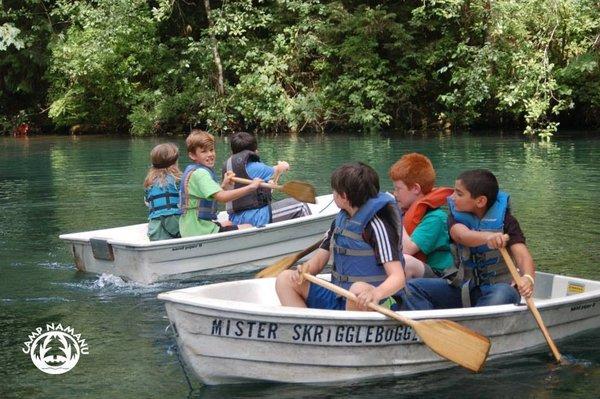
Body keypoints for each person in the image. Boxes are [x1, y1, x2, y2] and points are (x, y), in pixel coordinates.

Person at [276, 162, 406, 311]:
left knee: (358, 289)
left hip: (371, 302)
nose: (333, 194)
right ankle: (309, 328)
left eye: (335, 191)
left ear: (343, 196)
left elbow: (398, 278)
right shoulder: (339, 222)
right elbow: (318, 262)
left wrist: (376, 293)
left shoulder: (377, 227)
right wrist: (305, 270)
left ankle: (347, 331)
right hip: (339, 296)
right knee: (285, 279)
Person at [399, 169, 535, 310]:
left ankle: (472, 325)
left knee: (505, 293)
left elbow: (523, 257)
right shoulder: (455, 218)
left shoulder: (507, 222)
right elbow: (461, 235)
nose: (451, 197)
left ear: (480, 201)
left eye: (459, 193)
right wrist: (489, 237)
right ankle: (433, 326)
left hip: (497, 289)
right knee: (412, 288)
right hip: (462, 288)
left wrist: (528, 278)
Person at [178, 129, 262, 237]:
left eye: (211, 150)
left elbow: (212, 194)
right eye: (204, 151)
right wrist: (251, 187)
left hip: (189, 227)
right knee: (248, 227)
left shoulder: (194, 171)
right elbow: (221, 197)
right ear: (192, 155)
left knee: (231, 223)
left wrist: (224, 185)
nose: (210, 154)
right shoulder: (201, 174)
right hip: (199, 230)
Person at [222, 131, 311, 227]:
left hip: (234, 218)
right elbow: (279, 168)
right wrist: (283, 165)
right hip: (254, 218)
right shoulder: (257, 167)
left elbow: (269, 185)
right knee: (300, 205)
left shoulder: (228, 167)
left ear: (232, 152)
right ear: (255, 151)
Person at [389, 153, 454, 278]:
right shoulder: (405, 211)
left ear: (415, 188)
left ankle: (397, 296)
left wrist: (393, 214)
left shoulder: (436, 218)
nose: (394, 193)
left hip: (441, 276)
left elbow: (407, 250)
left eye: (398, 189)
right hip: (421, 272)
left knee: (406, 262)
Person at [143, 143, 182, 241]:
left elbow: (147, 202)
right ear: (174, 163)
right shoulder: (177, 180)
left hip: (155, 229)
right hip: (175, 225)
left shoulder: (149, 182)